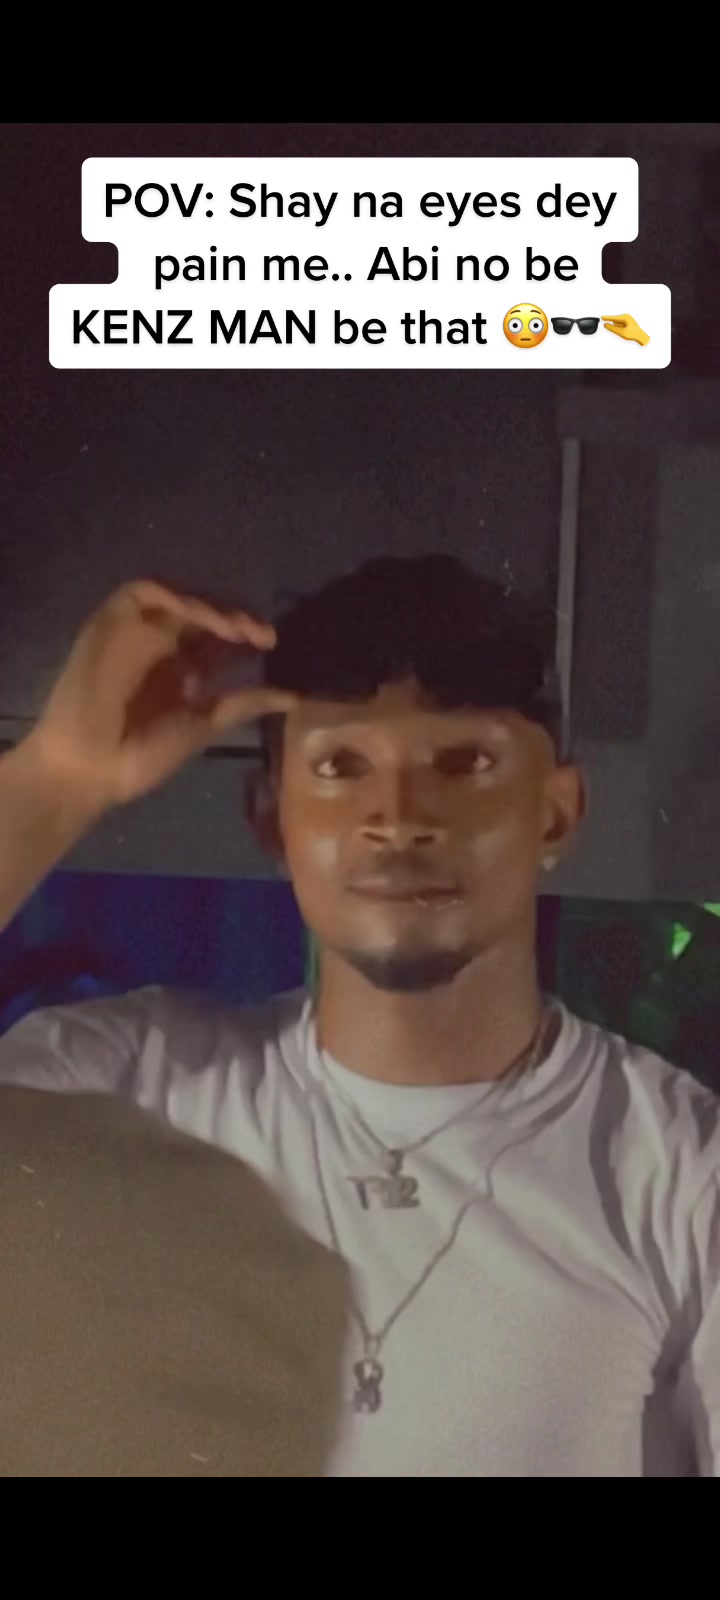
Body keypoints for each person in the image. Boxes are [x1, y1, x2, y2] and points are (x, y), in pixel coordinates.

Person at [0, 558, 718, 1477]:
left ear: (554, 813)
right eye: (341, 766)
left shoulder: (679, 1175)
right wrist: (56, 779)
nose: (398, 819)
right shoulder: (132, 1088)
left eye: (463, 763)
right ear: (271, 817)